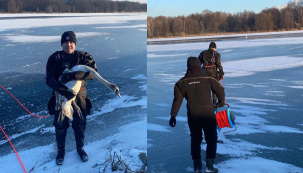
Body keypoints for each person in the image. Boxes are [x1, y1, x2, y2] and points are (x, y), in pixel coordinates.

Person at [46, 31, 97, 165]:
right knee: (60, 125)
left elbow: (93, 73)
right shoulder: (55, 58)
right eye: (66, 42)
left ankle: (80, 149)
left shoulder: (83, 56)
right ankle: (61, 152)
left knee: (80, 124)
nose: (69, 45)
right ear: (62, 43)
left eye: (71, 42)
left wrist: (74, 76)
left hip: (79, 96)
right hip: (60, 95)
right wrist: (63, 90)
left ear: (75, 43)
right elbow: (49, 79)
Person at [169, 57, 225, 173]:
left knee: (195, 140)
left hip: (193, 116)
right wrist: (220, 102)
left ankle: (197, 168)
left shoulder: (181, 83)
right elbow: (220, 92)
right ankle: (209, 167)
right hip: (208, 115)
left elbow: (177, 101)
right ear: (199, 66)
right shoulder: (208, 78)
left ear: (188, 67)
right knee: (211, 139)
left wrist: (173, 116)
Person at [198, 42, 224, 107]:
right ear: (215, 48)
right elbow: (218, 64)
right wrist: (222, 73)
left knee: (205, 87)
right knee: (214, 87)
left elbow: (198, 63)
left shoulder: (203, 53)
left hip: (203, 72)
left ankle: (205, 103)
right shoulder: (216, 54)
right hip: (213, 72)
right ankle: (214, 102)